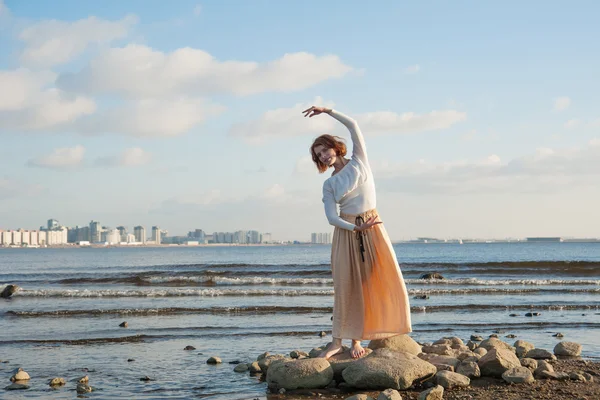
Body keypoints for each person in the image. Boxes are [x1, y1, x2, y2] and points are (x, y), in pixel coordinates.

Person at [303, 105, 412, 359]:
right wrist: (354, 228)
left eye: (325, 150)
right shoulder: (329, 184)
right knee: (346, 285)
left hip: (372, 226)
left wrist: (327, 111)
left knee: (373, 281)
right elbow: (331, 218)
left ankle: (358, 341)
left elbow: (353, 125)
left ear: (335, 147)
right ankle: (336, 342)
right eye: (318, 155)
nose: (323, 156)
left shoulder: (360, 160)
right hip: (348, 231)